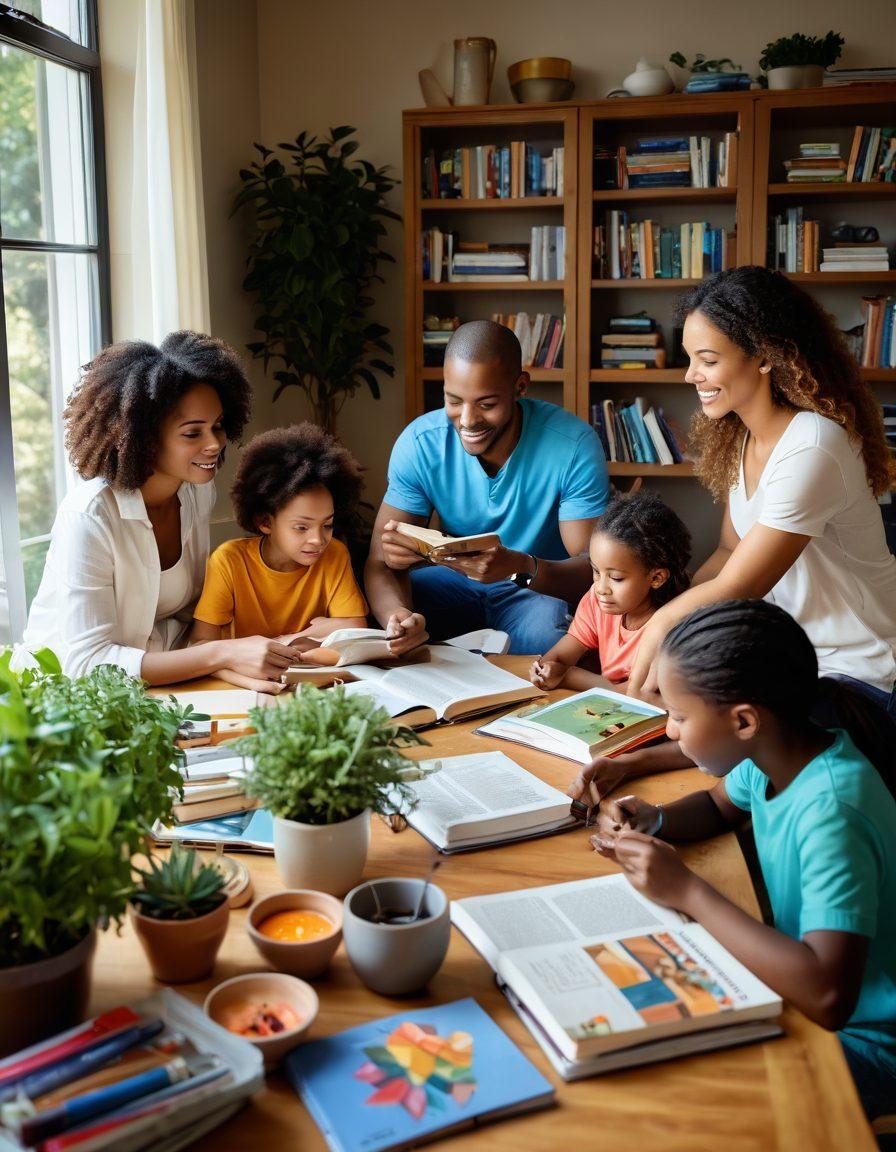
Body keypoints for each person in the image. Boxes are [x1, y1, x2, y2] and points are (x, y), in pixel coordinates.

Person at [590, 600, 896, 1124]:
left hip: (864, 1039)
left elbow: (828, 996)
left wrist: (686, 891)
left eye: (679, 716)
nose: (670, 731)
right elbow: (714, 805)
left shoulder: (832, 810)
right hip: (798, 986)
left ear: (744, 720)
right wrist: (655, 818)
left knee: (676, 1098)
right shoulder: (777, 756)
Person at [625, 267, 896, 721]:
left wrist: (664, 622)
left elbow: (742, 585)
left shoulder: (813, 444)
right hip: (789, 658)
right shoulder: (741, 436)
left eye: (708, 360)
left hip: (861, 672)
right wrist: (671, 607)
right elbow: (730, 550)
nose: (692, 375)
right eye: (691, 358)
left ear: (765, 356)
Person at [24, 332, 297, 688]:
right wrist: (223, 654)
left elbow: (187, 618)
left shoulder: (197, 493)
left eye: (217, 426)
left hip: (164, 683)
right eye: (192, 433)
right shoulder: (89, 516)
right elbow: (87, 663)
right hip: (72, 697)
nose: (214, 444)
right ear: (145, 437)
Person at [364, 320, 610, 655]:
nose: (467, 420)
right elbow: (380, 563)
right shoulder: (420, 443)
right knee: (377, 622)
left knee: (550, 646)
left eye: (487, 404)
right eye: (454, 400)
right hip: (452, 583)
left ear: (520, 387)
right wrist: (399, 616)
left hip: (536, 590)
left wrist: (518, 566)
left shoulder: (573, 445)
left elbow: (596, 570)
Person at [531, 490, 695, 794]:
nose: (601, 588)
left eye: (616, 578)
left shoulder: (670, 627)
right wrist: (549, 668)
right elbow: (563, 652)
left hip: (657, 736)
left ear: (656, 577)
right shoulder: (597, 601)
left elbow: (634, 697)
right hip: (608, 721)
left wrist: (567, 676)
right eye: (595, 571)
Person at [190, 423, 368, 682]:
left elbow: (355, 630)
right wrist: (313, 634)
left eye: (327, 525)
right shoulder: (229, 561)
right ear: (265, 522)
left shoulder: (334, 554)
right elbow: (199, 645)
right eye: (301, 527)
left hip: (309, 680)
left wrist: (286, 641)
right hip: (244, 685)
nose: (318, 540)